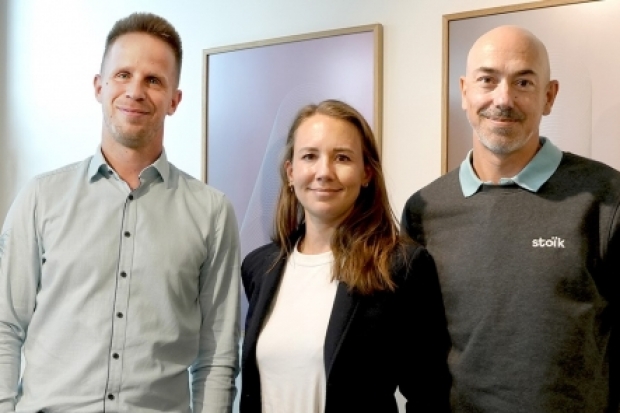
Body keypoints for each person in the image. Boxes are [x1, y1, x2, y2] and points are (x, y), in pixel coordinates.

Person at [0, 12, 240, 413]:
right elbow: (5, 325)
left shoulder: (212, 213)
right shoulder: (40, 198)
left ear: (174, 100)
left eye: (154, 80)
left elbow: (216, 354)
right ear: (99, 87)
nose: (135, 91)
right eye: (123, 74)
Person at [401, 25, 620, 413]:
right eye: (488, 80)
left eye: (523, 82)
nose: (503, 99)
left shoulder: (607, 198)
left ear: (548, 97)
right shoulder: (425, 209)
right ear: (465, 92)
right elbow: (418, 353)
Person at [239, 99, 451, 413]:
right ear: (290, 172)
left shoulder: (401, 266)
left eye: (342, 157)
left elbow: (429, 394)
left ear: (366, 172)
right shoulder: (259, 267)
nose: (324, 172)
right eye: (310, 156)